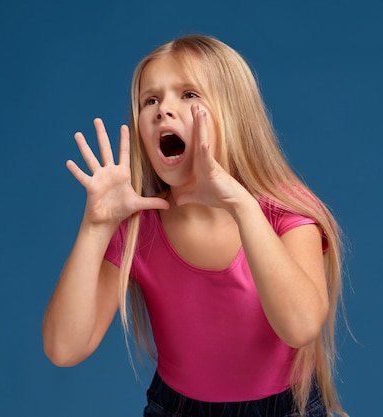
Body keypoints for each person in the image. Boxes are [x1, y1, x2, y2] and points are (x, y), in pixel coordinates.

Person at [43, 34, 347, 417]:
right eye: (150, 100)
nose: (162, 110)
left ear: (233, 113)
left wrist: (240, 204)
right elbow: (63, 348)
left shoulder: (286, 212)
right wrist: (95, 227)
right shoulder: (138, 228)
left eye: (188, 95)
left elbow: (300, 326)